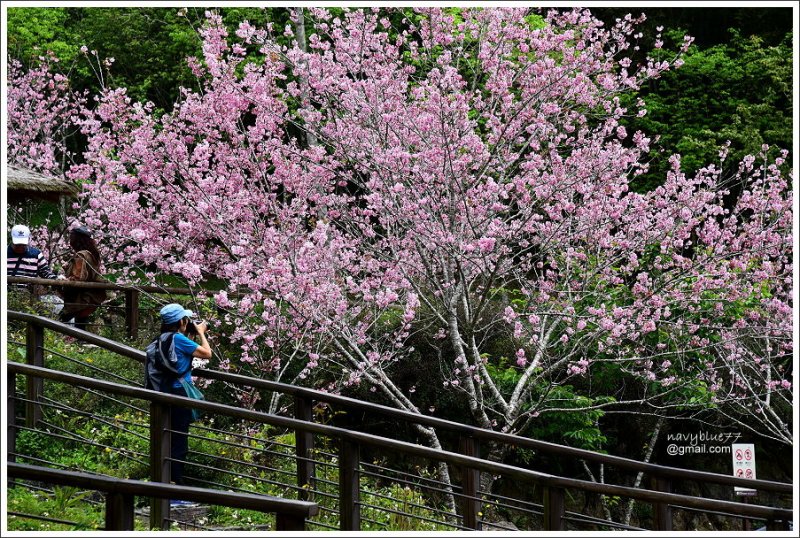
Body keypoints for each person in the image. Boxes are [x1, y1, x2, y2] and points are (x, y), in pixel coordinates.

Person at [147, 303, 211, 488]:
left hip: (162, 392)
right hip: (179, 394)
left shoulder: (160, 339)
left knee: (168, 436)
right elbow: (207, 353)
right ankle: (175, 484)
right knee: (179, 440)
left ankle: (166, 479)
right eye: (186, 319)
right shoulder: (179, 339)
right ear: (181, 321)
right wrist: (201, 332)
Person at [58, 226, 107, 331]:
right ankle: (79, 343)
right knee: (80, 326)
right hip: (91, 296)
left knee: (59, 321)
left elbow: (78, 277)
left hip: (81, 298)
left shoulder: (81, 255)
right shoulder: (92, 254)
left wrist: (63, 280)